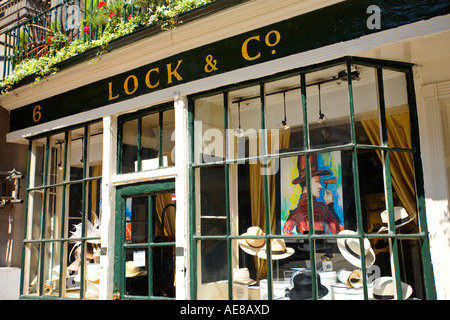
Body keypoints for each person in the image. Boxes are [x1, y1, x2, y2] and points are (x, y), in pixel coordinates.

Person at [283, 154, 344, 235]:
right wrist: (330, 206)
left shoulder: (296, 212)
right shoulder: (321, 209)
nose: (320, 186)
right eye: (316, 181)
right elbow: (339, 231)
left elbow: (286, 231)